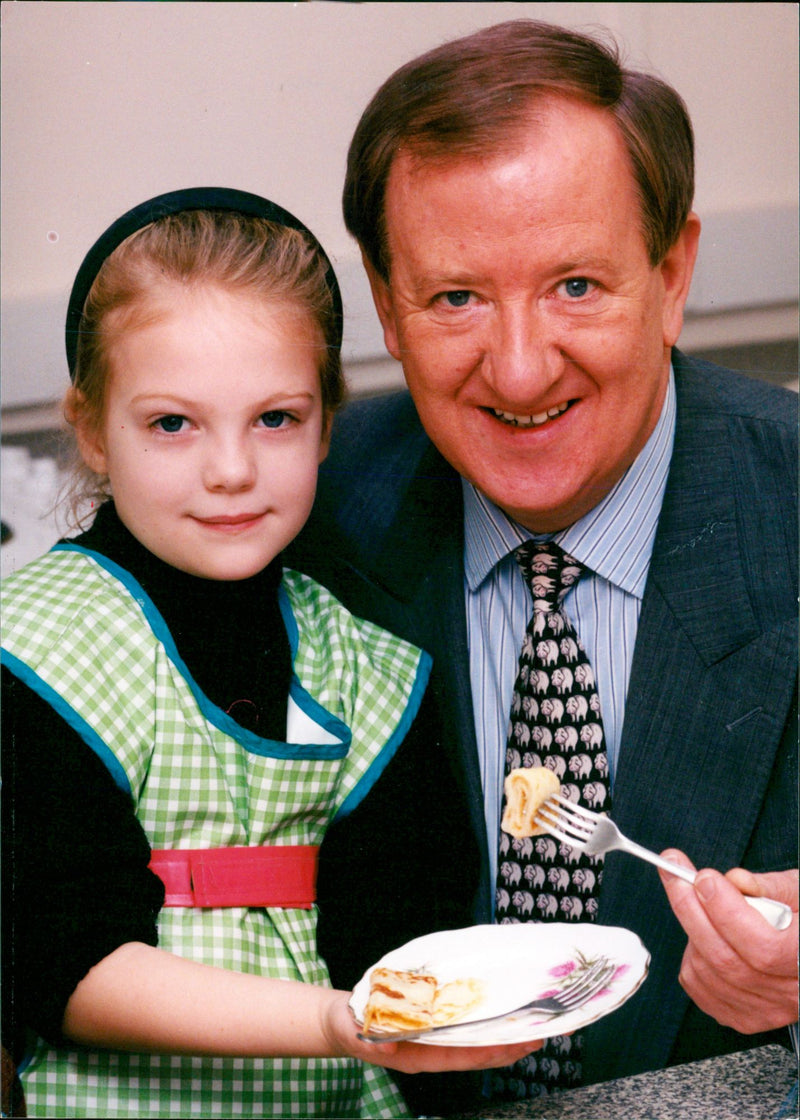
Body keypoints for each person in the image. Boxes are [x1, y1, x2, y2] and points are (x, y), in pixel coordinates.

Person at [290, 18, 799, 1109]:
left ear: (671, 273)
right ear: (386, 306)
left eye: (574, 284)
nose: (518, 369)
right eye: (456, 298)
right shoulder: (298, 526)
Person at [0, 187, 538, 1119]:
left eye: (275, 419)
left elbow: (410, 943)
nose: (231, 470)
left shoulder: (373, 671)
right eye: (173, 424)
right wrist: (336, 1021)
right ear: (91, 429)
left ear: (328, 423)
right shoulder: (35, 647)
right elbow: (63, 962)